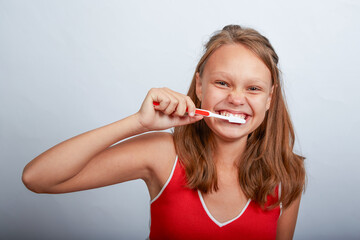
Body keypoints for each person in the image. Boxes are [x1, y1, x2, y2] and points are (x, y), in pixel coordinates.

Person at [22, 25, 306, 240]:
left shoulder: (288, 173)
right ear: (199, 86)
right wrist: (138, 123)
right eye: (222, 82)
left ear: (270, 98)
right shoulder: (163, 154)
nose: (235, 98)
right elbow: (37, 178)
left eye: (253, 88)